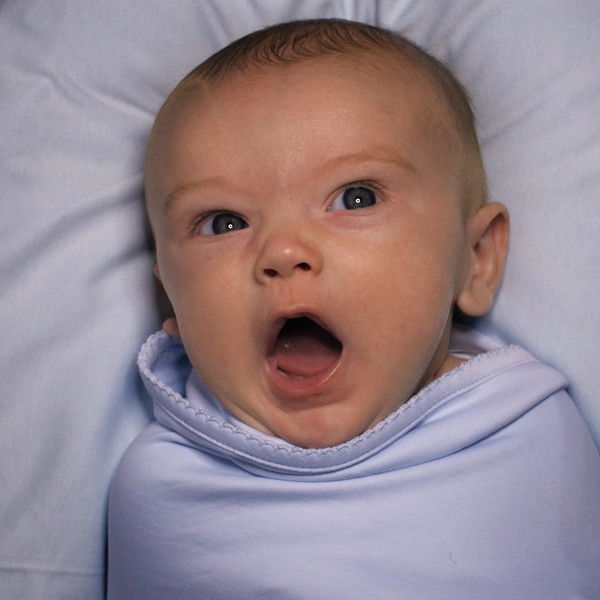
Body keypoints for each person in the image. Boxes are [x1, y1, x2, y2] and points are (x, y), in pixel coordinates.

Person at [107, 19, 600, 599]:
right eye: (224, 223)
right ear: (171, 299)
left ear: (475, 259)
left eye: (355, 197)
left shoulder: (528, 434)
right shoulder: (162, 489)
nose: (283, 252)